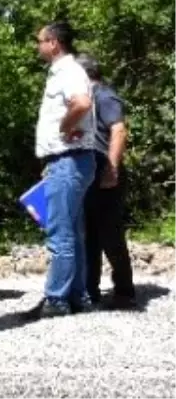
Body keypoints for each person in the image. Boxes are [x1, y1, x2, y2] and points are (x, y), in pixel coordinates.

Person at [24, 22, 97, 320]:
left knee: (60, 232)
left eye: (40, 41)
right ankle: (77, 295)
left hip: (68, 159)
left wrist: (65, 127)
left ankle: (56, 298)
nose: (37, 46)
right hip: (69, 160)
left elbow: (81, 103)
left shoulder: (68, 72)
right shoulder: (65, 72)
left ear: (54, 43)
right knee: (73, 231)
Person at [74, 54, 137, 310]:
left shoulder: (104, 96)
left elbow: (119, 130)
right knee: (89, 233)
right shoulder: (88, 99)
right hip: (90, 173)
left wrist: (112, 168)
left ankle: (124, 291)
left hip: (106, 171)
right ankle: (91, 290)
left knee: (110, 234)